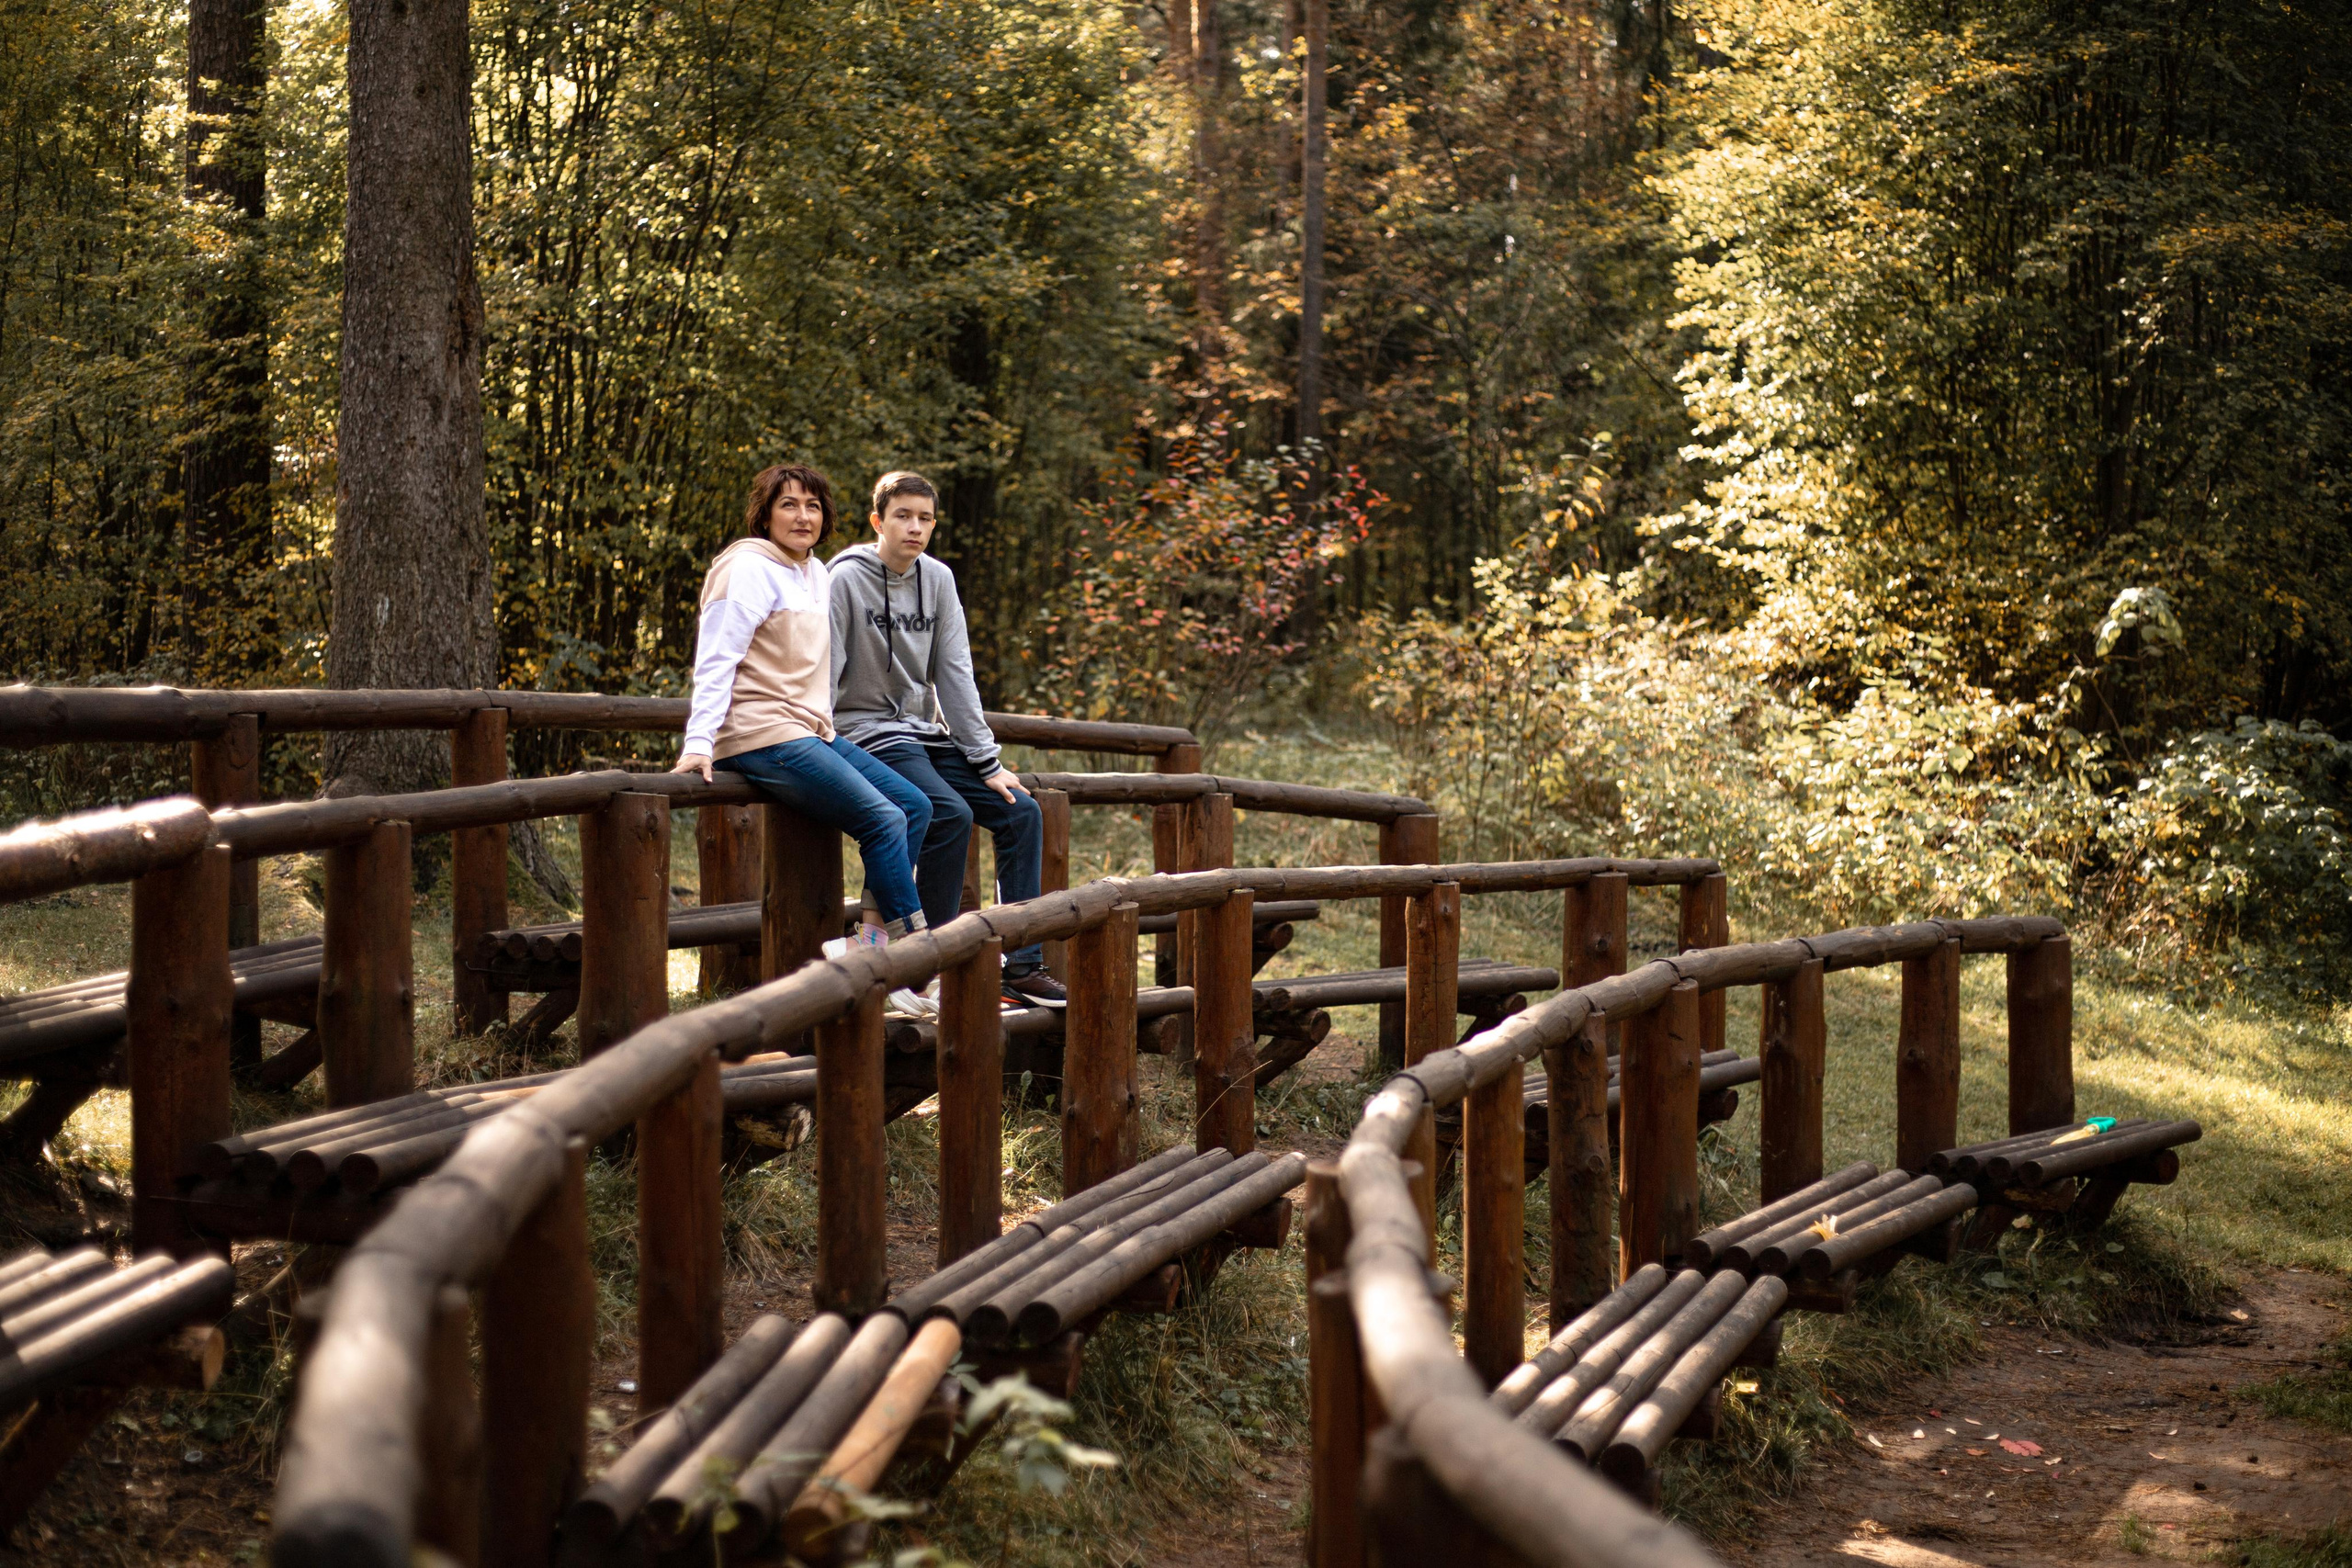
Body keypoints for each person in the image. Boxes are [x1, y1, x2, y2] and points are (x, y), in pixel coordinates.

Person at [673, 462, 936, 994]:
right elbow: (717, 661)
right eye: (788, 504)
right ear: (764, 514)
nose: (802, 516)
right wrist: (699, 743)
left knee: (915, 806)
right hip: (758, 732)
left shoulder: (815, 572)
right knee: (883, 818)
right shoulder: (745, 569)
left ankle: (869, 944)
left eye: (813, 506)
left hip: (810, 731)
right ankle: (914, 965)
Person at [830, 470, 1066, 1007]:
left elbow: (955, 672)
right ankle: (926, 965)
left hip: (925, 732)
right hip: (865, 731)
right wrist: (822, 739)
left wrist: (986, 761)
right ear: (878, 521)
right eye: (903, 516)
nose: (915, 528)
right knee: (948, 812)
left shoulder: (937, 580)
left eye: (925, 518)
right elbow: (825, 667)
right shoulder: (841, 580)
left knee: (1020, 811)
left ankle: (1021, 966)